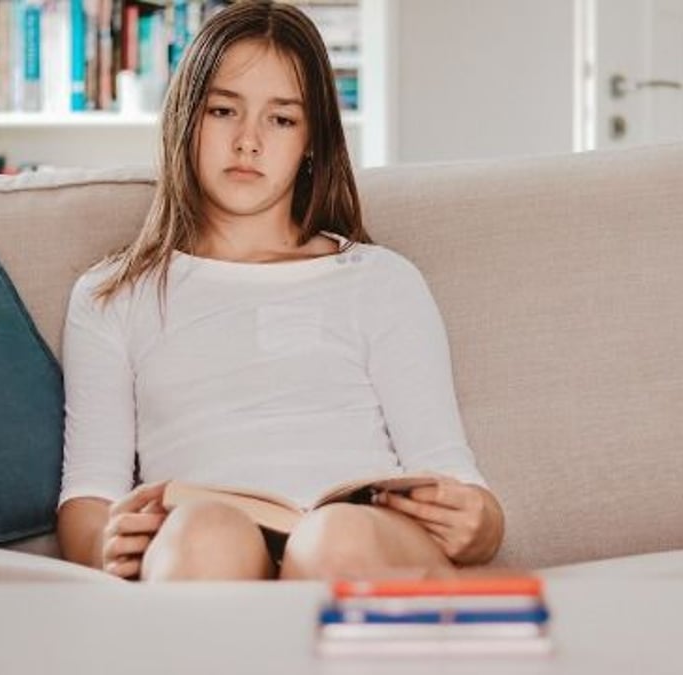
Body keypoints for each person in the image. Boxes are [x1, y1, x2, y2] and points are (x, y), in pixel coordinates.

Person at [56, 0, 504, 582]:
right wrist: (105, 543)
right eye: (223, 111)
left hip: (362, 540)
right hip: (206, 541)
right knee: (203, 536)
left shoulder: (381, 280)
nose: (248, 141)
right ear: (185, 120)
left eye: (281, 119)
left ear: (312, 140)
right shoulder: (112, 295)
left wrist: (479, 524)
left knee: (331, 538)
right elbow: (89, 494)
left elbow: (456, 480)